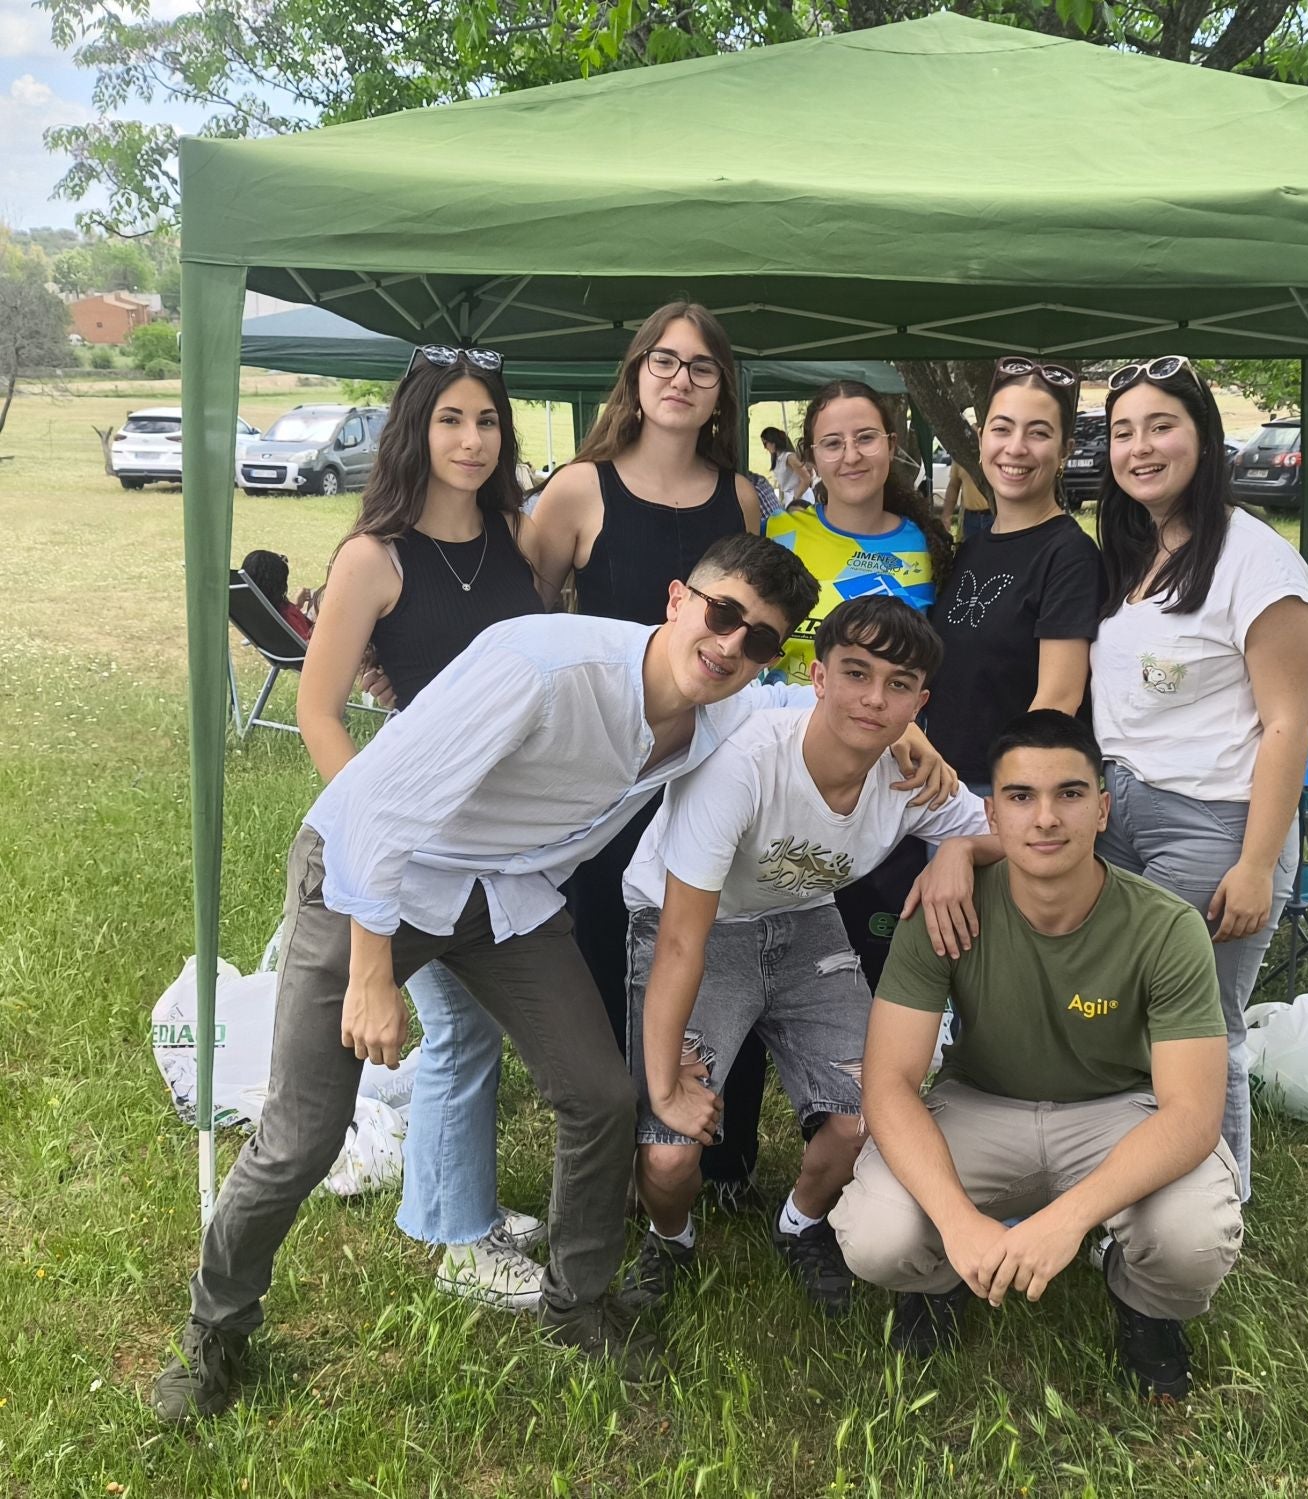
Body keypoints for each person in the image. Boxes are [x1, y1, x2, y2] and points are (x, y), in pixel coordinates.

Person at [152, 534, 826, 1420]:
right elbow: (376, 810)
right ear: (676, 598)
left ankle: (576, 1304)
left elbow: (801, 716)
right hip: (369, 874)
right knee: (301, 1137)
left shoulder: (719, 710)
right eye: (723, 612)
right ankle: (215, 1331)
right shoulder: (547, 665)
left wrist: (917, 760)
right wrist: (370, 976)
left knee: (599, 1093)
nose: (735, 644)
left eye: (763, 638)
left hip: (499, 889)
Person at [833, 711, 1243, 1400]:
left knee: (1192, 1236)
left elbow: (1194, 1114)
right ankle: (940, 1282)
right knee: (877, 1234)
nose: (1046, 817)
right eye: (1021, 796)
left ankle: (1144, 1304)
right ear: (991, 813)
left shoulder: (1167, 926)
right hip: (981, 1103)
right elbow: (890, 1084)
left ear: (1104, 808)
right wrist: (961, 1224)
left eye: (1070, 794)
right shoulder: (945, 907)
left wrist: (1066, 1220)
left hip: (1117, 1110)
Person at [619, 598, 990, 1318]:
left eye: (897, 684)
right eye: (856, 673)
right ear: (817, 676)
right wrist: (664, 1086)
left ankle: (801, 1223)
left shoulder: (910, 775)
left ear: (921, 701)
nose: (874, 699)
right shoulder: (746, 764)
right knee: (669, 1152)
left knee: (867, 1112)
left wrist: (960, 848)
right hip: (690, 926)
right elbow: (680, 939)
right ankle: (671, 1236)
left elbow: (1010, 829)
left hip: (802, 922)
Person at [292, 345, 550, 1313]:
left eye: (487, 421)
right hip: (415, 831)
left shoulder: (520, 538)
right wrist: (377, 825)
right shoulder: (373, 556)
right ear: (415, 430)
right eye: (450, 420)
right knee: (458, 1031)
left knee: (465, 1027)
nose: (472, 439)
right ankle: (459, 1237)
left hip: (509, 828)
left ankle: (452, 1206)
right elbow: (321, 712)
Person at [520, 303, 764, 1203]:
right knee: (599, 945)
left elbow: (752, 630)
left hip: (705, 760)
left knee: (704, 940)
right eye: (665, 360)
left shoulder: (739, 498)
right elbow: (529, 619)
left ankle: (712, 1144)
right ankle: (613, 1141)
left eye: (701, 368)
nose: (680, 379)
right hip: (602, 766)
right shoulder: (580, 488)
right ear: (636, 372)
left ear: (719, 392)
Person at [1090, 355, 1308, 1202]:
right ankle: (1130, 1186)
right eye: (1123, 432)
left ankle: (1211, 1212)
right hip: (1120, 810)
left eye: (1161, 426)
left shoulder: (1257, 561)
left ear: (1203, 437)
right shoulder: (1131, 553)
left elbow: (1290, 722)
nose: (1140, 447)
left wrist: (1257, 864)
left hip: (1216, 823)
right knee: (1121, 1014)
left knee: (1194, 1026)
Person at [925, 357, 1102, 793]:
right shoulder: (969, 549)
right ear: (982, 438)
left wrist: (1012, 797)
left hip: (1006, 792)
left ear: (1065, 451)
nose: (1016, 447)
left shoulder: (1070, 555)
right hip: (939, 785)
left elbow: (1057, 702)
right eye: (1002, 429)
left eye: (1038, 433)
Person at [762, 380, 952, 687]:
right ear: (811, 457)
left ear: (891, 446)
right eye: (833, 443)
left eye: (865, 438)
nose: (851, 456)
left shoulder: (928, 548)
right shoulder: (776, 534)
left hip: (886, 733)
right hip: (780, 728)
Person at [239, 549, 314, 640]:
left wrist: (297, 606)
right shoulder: (287, 616)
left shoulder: (260, 610)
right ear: (280, 584)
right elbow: (309, 644)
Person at [938, 435, 994, 543]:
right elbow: (954, 485)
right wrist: (946, 515)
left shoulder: (995, 454)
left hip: (993, 516)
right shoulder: (961, 456)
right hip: (970, 517)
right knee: (972, 554)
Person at [761, 425, 812, 511]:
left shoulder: (789, 457)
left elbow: (806, 478)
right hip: (789, 498)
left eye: (765, 443)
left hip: (801, 498)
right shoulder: (777, 459)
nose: (765, 447)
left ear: (773, 442)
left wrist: (795, 500)